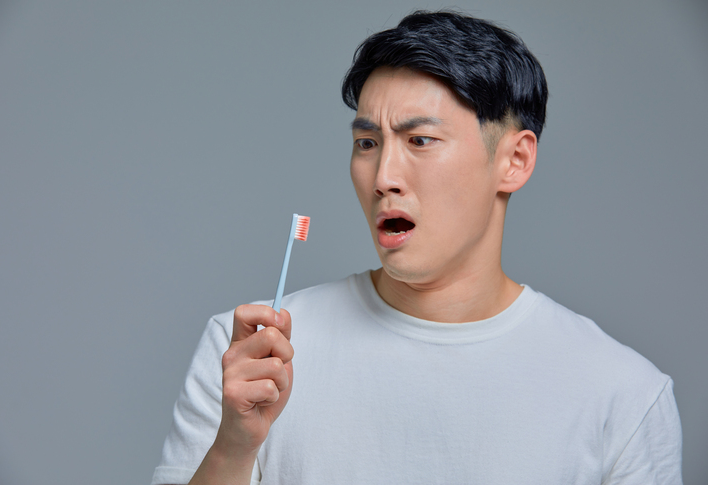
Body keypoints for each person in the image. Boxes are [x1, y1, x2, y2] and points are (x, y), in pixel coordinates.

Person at [152, 11, 682, 485]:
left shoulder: (622, 395)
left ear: (514, 161)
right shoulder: (252, 355)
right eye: (367, 143)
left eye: (420, 140)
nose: (384, 176)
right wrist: (234, 446)